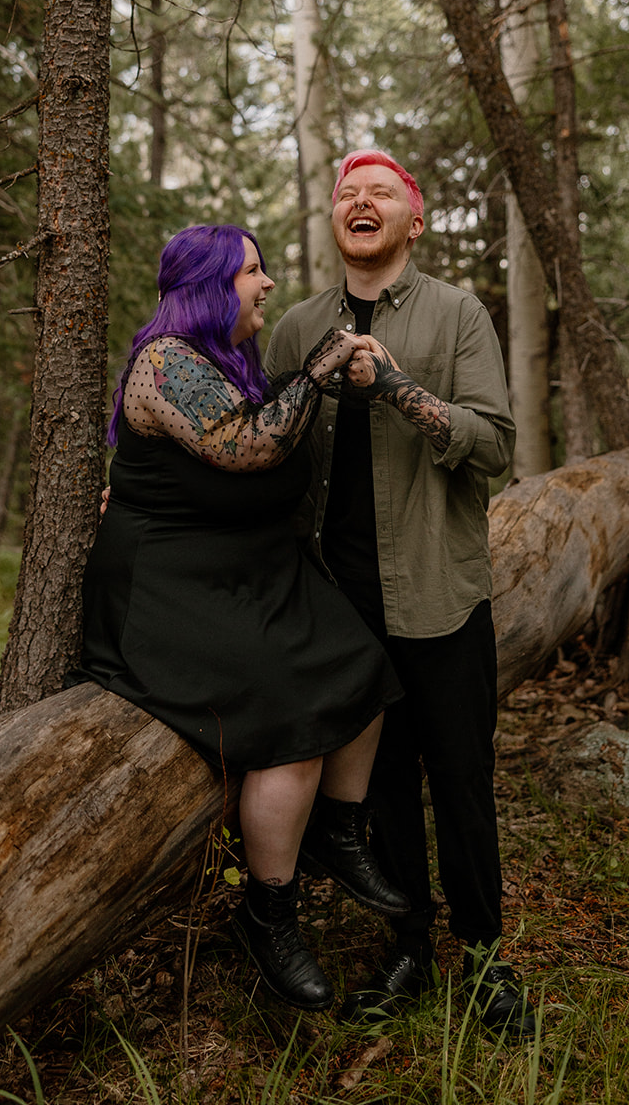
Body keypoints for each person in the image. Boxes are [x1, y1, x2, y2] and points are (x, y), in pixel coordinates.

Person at [74, 224, 410, 1012]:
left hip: (242, 571)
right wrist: (322, 365)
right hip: (168, 586)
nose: (265, 285)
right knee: (287, 722)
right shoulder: (165, 364)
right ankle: (269, 914)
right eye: (251, 272)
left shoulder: (225, 359)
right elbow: (249, 446)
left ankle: (338, 831)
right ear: (210, 285)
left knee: (363, 668)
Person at [265, 151, 535, 1037]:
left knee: (459, 781)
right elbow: (258, 449)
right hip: (335, 607)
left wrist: (393, 387)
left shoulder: (458, 314)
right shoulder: (296, 325)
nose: (359, 201)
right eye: (346, 194)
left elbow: (494, 448)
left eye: (379, 192)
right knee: (377, 790)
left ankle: (486, 957)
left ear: (412, 221)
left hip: (439, 593)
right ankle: (408, 945)